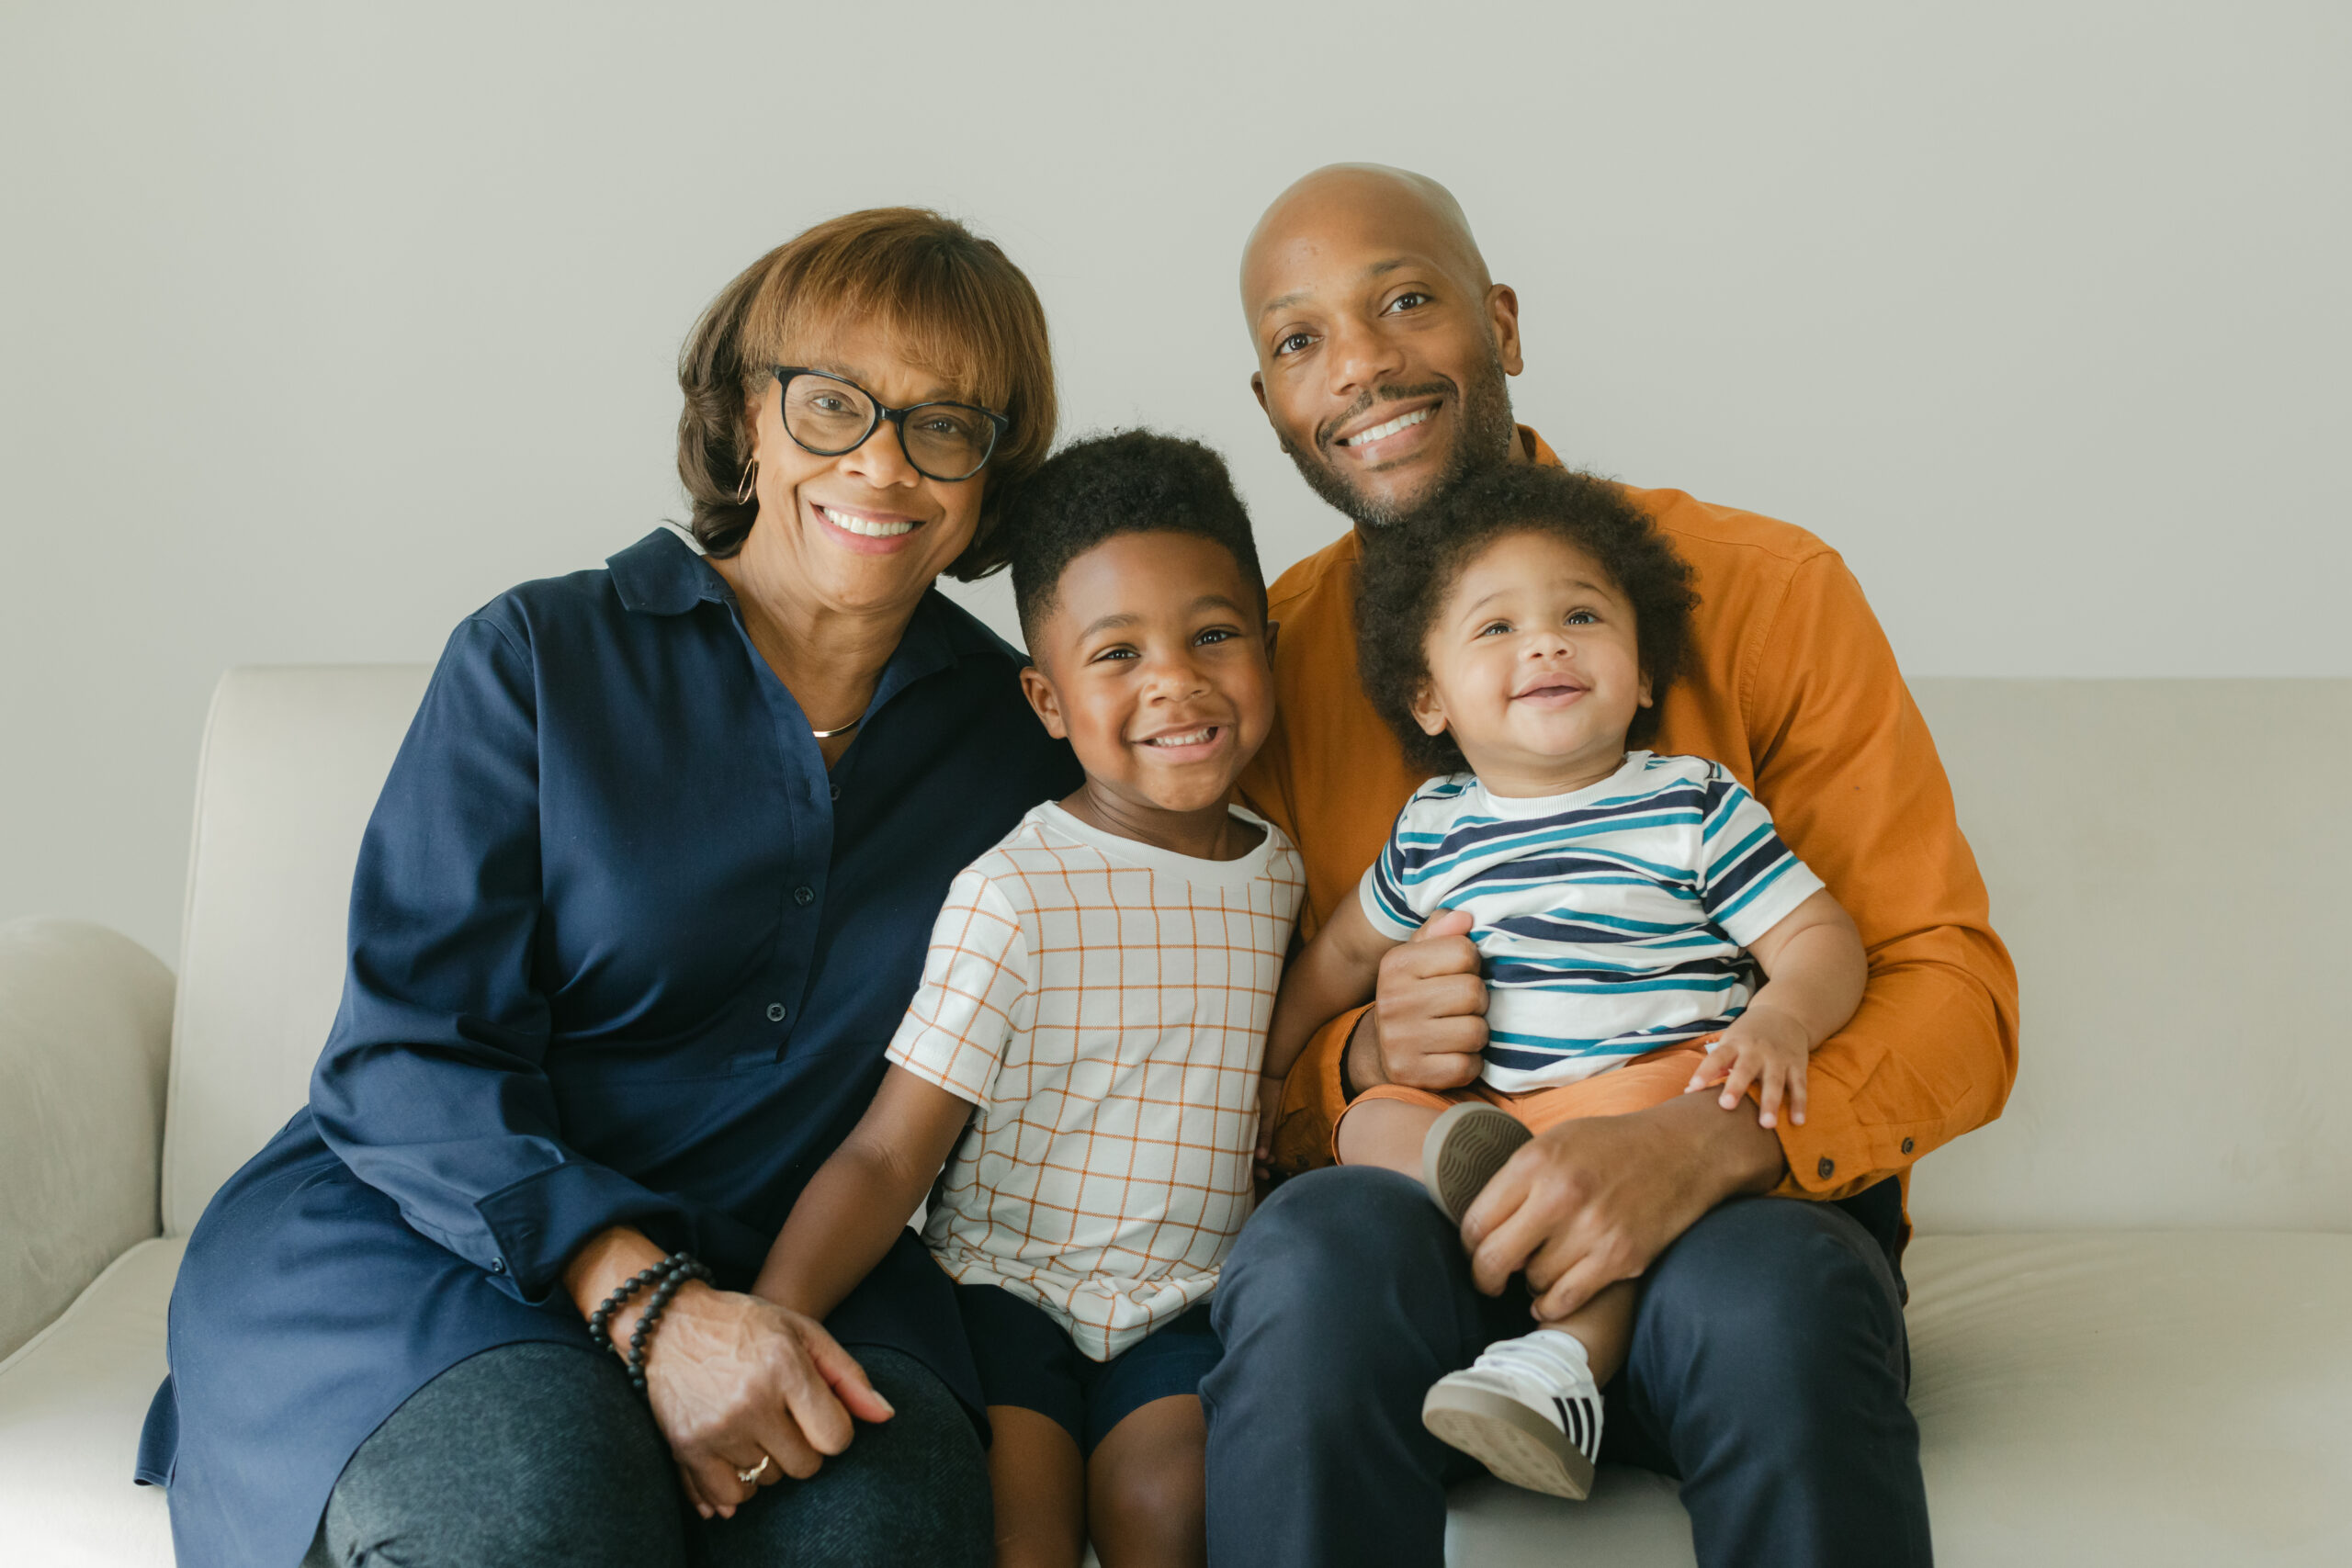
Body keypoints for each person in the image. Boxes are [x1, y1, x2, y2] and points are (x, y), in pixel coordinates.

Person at [137, 209, 1080, 1568]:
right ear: (748, 418)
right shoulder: (539, 654)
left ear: (993, 471)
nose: (881, 459)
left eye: (946, 424)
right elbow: (403, 1054)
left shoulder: (1020, 740)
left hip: (797, 1260)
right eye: (831, 404)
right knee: (541, 1512)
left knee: (891, 1527)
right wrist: (653, 1309)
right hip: (435, 1243)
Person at [1201, 164, 2019, 1568]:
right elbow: (1226, 1049)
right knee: (1312, 1256)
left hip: (1736, 1234)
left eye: (1407, 299)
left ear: (1502, 324)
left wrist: (1703, 1140)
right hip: (1425, 1252)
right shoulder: (1266, 668)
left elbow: (1951, 990)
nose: (1363, 368)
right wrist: (1351, 1059)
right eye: (1300, 340)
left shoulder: (1766, 588)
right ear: (1272, 399)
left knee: (1773, 1302)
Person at [1257, 461, 1866, 1502]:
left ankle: (1559, 1368)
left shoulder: (1688, 803)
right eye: (1494, 629)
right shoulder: (1433, 828)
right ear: (1430, 698)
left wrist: (1779, 1021)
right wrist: (1271, 1073)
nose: (1545, 641)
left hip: (1647, 1097)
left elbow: (1819, 936)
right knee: (1363, 1125)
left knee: (1641, 1161)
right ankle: (1474, 1171)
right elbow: (1338, 962)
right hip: (1494, 1112)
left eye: (1581, 615)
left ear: (1639, 677)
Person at [755, 431, 1302, 1568]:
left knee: (1169, 1510)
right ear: (1047, 701)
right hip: (1003, 1291)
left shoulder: (1283, 872)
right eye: (1117, 655)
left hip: (1185, 1299)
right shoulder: (1015, 890)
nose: (1175, 682)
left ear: (1268, 647)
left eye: (1213, 636)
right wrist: (780, 1319)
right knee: (1021, 1536)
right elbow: (889, 1156)